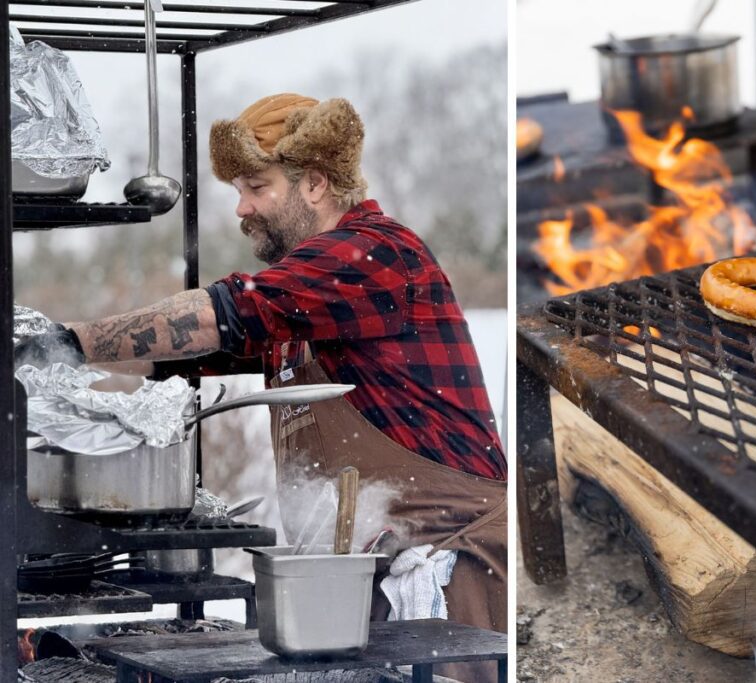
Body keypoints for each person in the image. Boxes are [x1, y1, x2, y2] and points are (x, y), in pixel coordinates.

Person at [15, 93, 507, 682]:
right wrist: (38, 359)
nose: (242, 208)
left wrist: (65, 342)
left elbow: (217, 315)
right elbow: (190, 348)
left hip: (448, 579)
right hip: (359, 587)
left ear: (316, 184)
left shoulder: (375, 253)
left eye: (256, 186)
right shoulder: (307, 300)